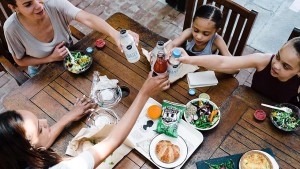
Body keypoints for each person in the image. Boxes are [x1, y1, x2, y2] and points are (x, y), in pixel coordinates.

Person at [0, 72, 170, 169]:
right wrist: (144, 94)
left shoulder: (13, 157)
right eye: (40, 129)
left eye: (39, 119)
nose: (45, 121)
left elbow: (39, 144)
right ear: (28, 149)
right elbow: (113, 140)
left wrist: (69, 116)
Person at [3, 0, 139, 77]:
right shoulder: (11, 29)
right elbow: (19, 60)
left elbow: (87, 18)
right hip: (42, 72)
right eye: (28, 4)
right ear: (14, 8)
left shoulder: (54, 3)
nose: (39, 5)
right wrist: (50, 58)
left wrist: (115, 34)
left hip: (73, 59)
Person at [175, 37, 300, 105]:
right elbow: (223, 62)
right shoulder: (263, 60)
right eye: (277, 56)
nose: (276, 65)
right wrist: (190, 59)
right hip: (248, 105)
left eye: (286, 66)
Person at [165, 5, 237, 74]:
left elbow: (235, 69)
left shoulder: (217, 40)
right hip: (185, 68)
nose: (198, 37)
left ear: (216, 31)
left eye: (206, 34)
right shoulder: (189, 32)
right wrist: (166, 55)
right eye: (196, 30)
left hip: (201, 73)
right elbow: (172, 44)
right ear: (193, 24)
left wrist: (213, 66)